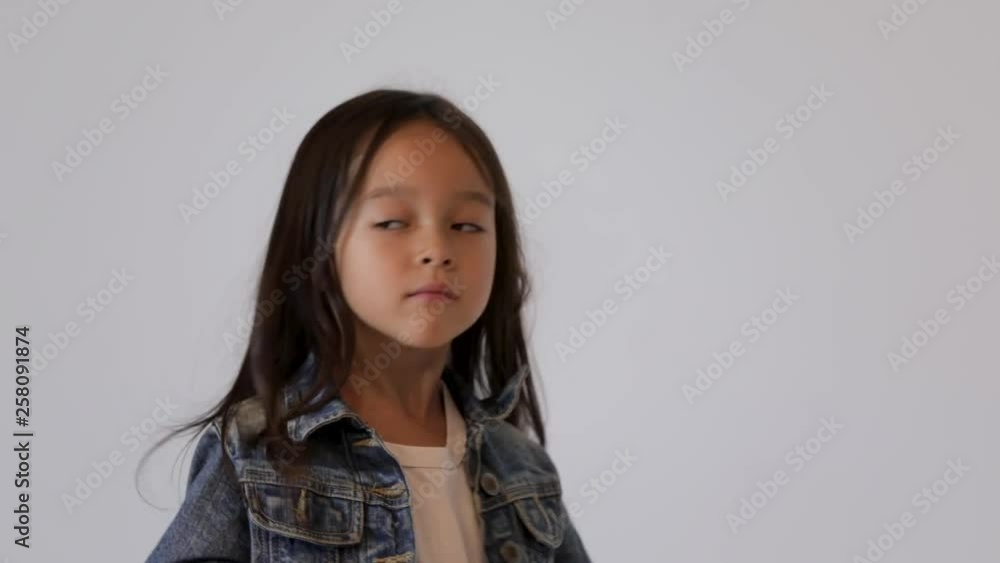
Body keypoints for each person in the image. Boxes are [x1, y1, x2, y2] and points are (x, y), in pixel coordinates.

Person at [143, 89, 592, 562]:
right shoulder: (258, 451)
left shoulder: (525, 469)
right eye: (393, 222)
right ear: (318, 246)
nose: (437, 250)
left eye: (466, 225)